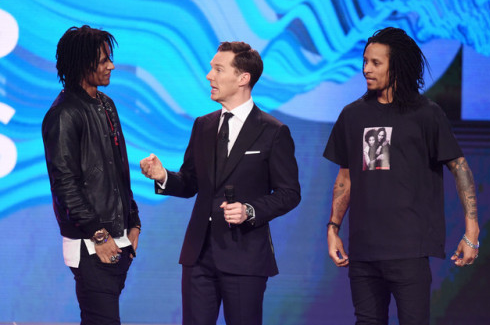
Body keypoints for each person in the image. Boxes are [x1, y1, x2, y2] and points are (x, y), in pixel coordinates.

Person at [323, 27, 480, 324]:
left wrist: (472, 232)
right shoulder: (352, 115)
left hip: (409, 250)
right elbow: (346, 177)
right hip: (364, 250)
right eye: (365, 61)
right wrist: (333, 228)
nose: (366, 69)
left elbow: (459, 167)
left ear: (396, 67)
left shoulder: (426, 114)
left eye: (376, 63)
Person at [140, 41, 301, 325]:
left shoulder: (273, 131)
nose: (208, 76)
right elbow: (190, 183)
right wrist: (163, 176)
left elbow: (289, 193)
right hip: (199, 254)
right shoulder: (203, 125)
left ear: (243, 78)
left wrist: (249, 210)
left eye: (217, 69)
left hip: (245, 257)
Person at [42, 25, 141, 324]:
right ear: (81, 65)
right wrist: (99, 235)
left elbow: (117, 169)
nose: (111, 65)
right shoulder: (63, 114)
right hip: (92, 245)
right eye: (102, 61)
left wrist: (134, 221)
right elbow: (65, 186)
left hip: (119, 241)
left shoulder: (106, 105)